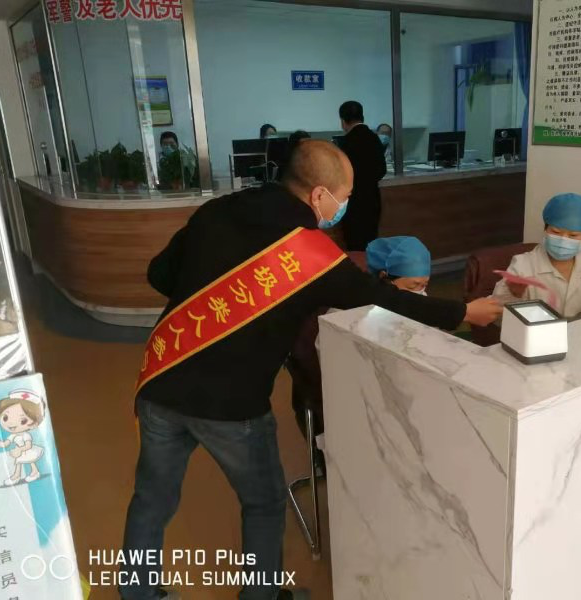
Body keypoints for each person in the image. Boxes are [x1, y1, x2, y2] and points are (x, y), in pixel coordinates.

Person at [120, 140, 501, 600]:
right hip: (231, 404)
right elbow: (385, 299)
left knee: (152, 498)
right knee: (263, 503)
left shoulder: (216, 211)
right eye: (345, 196)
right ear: (319, 195)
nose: (344, 206)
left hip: (163, 376)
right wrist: (463, 310)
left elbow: (159, 275)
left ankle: (138, 594)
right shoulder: (309, 254)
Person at [287, 235, 433, 467]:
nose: (420, 293)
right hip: (360, 400)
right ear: (384, 278)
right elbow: (341, 378)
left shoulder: (412, 298)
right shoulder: (345, 318)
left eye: (424, 285)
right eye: (413, 286)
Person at [493, 193, 581, 319]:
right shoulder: (522, 265)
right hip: (539, 332)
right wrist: (514, 294)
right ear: (545, 229)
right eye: (556, 232)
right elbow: (497, 315)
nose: (563, 240)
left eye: (573, 235)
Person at [338, 101, 387, 251]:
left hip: (353, 204)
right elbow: (382, 170)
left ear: (343, 121)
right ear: (362, 117)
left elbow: (340, 174)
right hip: (372, 200)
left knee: (355, 246)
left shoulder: (345, 142)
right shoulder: (374, 138)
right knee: (370, 244)